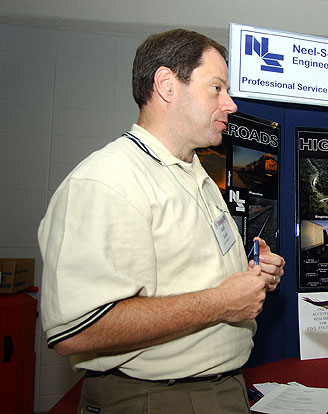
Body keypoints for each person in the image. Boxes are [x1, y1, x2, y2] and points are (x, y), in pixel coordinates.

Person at [38, 28, 285, 414]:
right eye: (216, 88)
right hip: (156, 398)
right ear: (167, 85)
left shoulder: (194, 175)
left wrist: (254, 273)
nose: (231, 104)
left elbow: (190, 275)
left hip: (221, 388)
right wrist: (220, 303)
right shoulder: (107, 180)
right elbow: (78, 329)